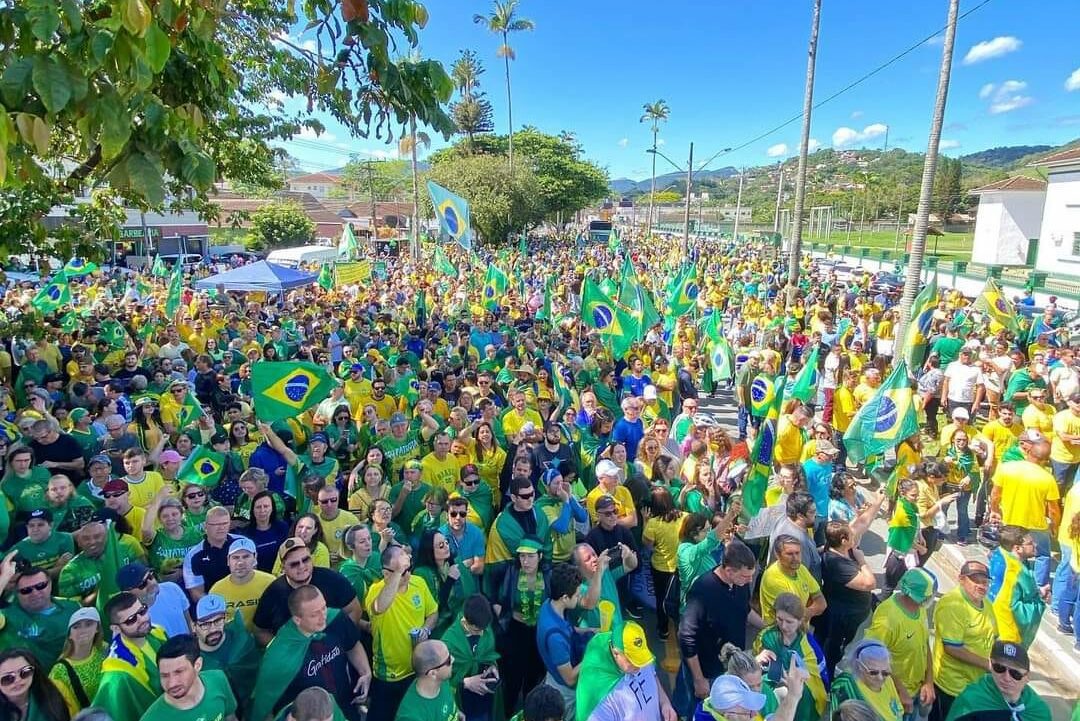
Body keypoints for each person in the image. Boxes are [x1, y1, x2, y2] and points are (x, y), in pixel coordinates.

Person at [249, 585, 372, 721]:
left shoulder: (335, 619)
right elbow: (265, 705)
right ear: (297, 619)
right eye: (314, 614)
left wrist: (365, 671)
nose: (323, 616)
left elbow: (352, 644)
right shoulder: (278, 655)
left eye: (324, 608)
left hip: (345, 706)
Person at [678, 541, 759, 716]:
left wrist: (766, 625)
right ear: (729, 571)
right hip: (708, 671)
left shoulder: (740, 584)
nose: (750, 580)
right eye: (746, 576)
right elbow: (686, 636)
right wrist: (699, 679)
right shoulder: (703, 590)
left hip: (731, 668)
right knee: (702, 711)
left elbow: (745, 609)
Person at [363, 543, 438, 721]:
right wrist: (398, 573)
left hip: (417, 670)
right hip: (388, 676)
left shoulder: (418, 583)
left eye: (408, 568)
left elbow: (433, 613)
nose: (408, 574)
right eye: (403, 570)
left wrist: (426, 629)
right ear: (386, 573)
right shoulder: (376, 591)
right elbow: (379, 607)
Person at [252, 536, 361, 644]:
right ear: (283, 567)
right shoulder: (273, 593)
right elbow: (260, 631)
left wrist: (340, 640)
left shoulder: (332, 579)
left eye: (305, 560)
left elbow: (354, 609)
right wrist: (283, 648)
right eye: (294, 564)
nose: (301, 566)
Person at [989, 432, 1060, 589]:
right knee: (1042, 555)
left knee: (1007, 550)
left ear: (1028, 451)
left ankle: (1006, 580)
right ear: (1045, 460)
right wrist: (1055, 526)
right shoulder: (1047, 478)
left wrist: (994, 510)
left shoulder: (1006, 468)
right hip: (1036, 524)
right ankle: (1039, 586)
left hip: (1010, 520)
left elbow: (995, 494)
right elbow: (1053, 510)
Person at [865, 569, 937, 720]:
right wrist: (900, 690)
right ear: (920, 597)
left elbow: (924, 645)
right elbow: (872, 659)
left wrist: (929, 681)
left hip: (918, 690)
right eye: (930, 594)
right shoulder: (887, 620)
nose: (933, 597)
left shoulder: (920, 609)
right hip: (895, 696)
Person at [573, 620, 676, 721]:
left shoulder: (639, 656)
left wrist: (664, 703)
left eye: (641, 660)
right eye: (633, 661)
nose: (639, 666)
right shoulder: (600, 698)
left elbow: (652, 675)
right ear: (616, 653)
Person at [932, 561, 997, 721]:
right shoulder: (952, 605)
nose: (982, 586)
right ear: (961, 579)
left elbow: (993, 637)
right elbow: (953, 648)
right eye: (975, 580)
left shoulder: (986, 604)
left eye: (985, 582)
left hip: (975, 685)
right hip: (952, 686)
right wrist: (988, 665)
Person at [92, 591, 168, 720]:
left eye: (142, 611)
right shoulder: (117, 673)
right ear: (116, 629)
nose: (142, 620)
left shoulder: (157, 632)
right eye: (131, 620)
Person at [753, 593, 828, 721]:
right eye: (779, 619)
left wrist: (796, 680)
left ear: (800, 621)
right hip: (772, 693)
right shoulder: (766, 636)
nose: (783, 626)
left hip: (804, 698)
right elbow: (753, 669)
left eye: (789, 622)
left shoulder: (809, 645)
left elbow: (819, 678)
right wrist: (758, 660)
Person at [0, 552, 79, 669]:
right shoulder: (6, 615)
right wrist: (4, 577)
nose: (35, 593)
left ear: (51, 584)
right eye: (26, 590)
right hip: (24, 683)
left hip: (70, 678)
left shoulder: (73, 607)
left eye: (41, 585)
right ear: (16, 592)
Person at [817, 521, 875, 676]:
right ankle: (826, 677)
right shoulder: (837, 563)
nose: (854, 538)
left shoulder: (837, 549)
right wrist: (862, 561)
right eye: (850, 536)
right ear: (843, 540)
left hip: (849, 615)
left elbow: (859, 526)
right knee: (832, 651)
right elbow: (869, 583)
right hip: (841, 619)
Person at [190, 594, 260, 717]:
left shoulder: (241, 639)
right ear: (194, 627)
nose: (213, 629)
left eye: (218, 621)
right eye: (205, 624)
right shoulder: (191, 660)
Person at [139, 633, 238, 721]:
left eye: (179, 672)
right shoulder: (153, 718)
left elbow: (231, 717)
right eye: (164, 675)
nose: (171, 683)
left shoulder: (218, 679)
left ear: (197, 665)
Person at [945, 641, 1052, 721]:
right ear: (991, 666)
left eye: (1015, 674)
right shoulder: (971, 700)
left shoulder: (1039, 710)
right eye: (999, 668)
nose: (1006, 677)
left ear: (1027, 677)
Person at [536, 563, 586, 721]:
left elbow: (569, 629)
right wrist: (593, 653)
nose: (579, 598)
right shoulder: (555, 638)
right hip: (564, 689)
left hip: (553, 673)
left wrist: (591, 630)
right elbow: (570, 678)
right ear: (565, 597)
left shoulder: (549, 605)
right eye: (577, 595)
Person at [439, 594, 501, 721]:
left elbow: (489, 653)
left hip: (484, 698)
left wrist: (492, 666)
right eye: (477, 630)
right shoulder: (448, 643)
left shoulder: (482, 624)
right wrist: (465, 683)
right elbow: (440, 681)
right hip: (462, 700)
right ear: (466, 622)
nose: (482, 633)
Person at [987, 525, 1046, 647]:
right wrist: (1039, 599)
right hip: (1009, 638)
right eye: (1030, 543)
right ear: (1017, 548)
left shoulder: (1002, 556)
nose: (1035, 545)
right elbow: (1008, 606)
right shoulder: (1014, 572)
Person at [47, 607, 107, 717]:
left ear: (97, 628)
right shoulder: (60, 672)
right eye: (76, 627)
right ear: (69, 634)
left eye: (89, 624)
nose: (83, 630)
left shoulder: (103, 649)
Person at [208, 537, 276, 633]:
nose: (240, 563)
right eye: (235, 557)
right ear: (228, 560)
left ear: (255, 558)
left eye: (246, 557)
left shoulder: (270, 582)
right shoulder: (216, 591)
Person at [759, 535, 827, 627]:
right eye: (789, 554)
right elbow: (791, 617)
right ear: (777, 555)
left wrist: (808, 612)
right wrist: (811, 610)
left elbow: (821, 602)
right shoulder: (773, 579)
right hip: (779, 636)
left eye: (797, 553)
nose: (795, 558)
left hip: (800, 632)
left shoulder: (801, 569)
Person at [828, 640, 904, 721]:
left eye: (885, 673)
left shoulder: (888, 680)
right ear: (859, 665)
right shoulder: (847, 686)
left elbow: (898, 709)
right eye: (873, 672)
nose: (880, 678)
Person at [116, 562, 190, 637]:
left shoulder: (172, 588)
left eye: (150, 576)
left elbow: (188, 622)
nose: (151, 583)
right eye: (142, 584)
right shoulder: (129, 618)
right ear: (127, 592)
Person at [182, 506, 240, 601]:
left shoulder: (243, 544)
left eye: (225, 523)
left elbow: (252, 576)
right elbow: (196, 593)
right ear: (205, 526)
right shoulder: (193, 556)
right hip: (213, 604)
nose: (221, 528)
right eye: (215, 524)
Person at [395, 639, 459, 721]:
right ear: (433, 673)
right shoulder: (411, 716)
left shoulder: (442, 680)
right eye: (448, 661)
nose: (453, 659)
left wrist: (456, 714)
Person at [0, 648, 71, 721]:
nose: (18, 680)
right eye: (7, 678)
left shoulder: (50, 696)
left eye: (25, 672)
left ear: (34, 672)